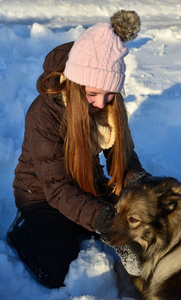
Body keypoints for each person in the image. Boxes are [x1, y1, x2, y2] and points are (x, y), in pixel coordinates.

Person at [7, 10, 148, 289]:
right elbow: (57, 188)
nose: (101, 103)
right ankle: (22, 233)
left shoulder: (107, 105)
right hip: (42, 196)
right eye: (92, 93)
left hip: (85, 185)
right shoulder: (43, 115)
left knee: (142, 230)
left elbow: (123, 158)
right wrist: (105, 220)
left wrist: (141, 185)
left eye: (110, 94)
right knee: (55, 270)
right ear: (73, 83)